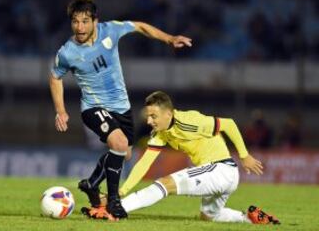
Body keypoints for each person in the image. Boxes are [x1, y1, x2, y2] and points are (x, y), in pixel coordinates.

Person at [49, 0, 192, 220]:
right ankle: (114, 202)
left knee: (124, 153)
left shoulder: (111, 30)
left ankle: (92, 183)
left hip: (121, 106)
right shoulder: (67, 52)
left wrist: (168, 38)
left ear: (95, 21)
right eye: (75, 21)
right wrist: (61, 110)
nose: (80, 26)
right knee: (119, 142)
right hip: (93, 107)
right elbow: (55, 77)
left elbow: (139, 27)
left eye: (85, 21)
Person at [82, 91, 280, 224]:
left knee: (165, 184)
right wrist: (122, 191)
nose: (149, 121)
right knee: (209, 216)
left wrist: (244, 156)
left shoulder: (189, 121)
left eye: (153, 116)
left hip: (221, 169)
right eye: (148, 117)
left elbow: (228, 124)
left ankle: (114, 211)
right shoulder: (160, 133)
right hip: (219, 175)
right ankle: (249, 218)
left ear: (168, 114)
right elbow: (144, 163)